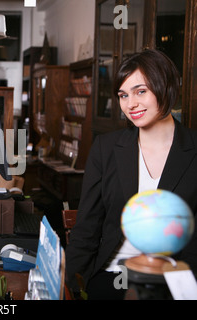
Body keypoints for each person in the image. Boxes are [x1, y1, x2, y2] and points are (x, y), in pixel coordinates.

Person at [65, 49, 197, 299]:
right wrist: (64, 285)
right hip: (113, 276)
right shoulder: (106, 149)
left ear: (165, 87)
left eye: (141, 91)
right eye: (123, 95)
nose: (130, 104)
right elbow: (86, 229)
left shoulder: (193, 150)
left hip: (175, 280)